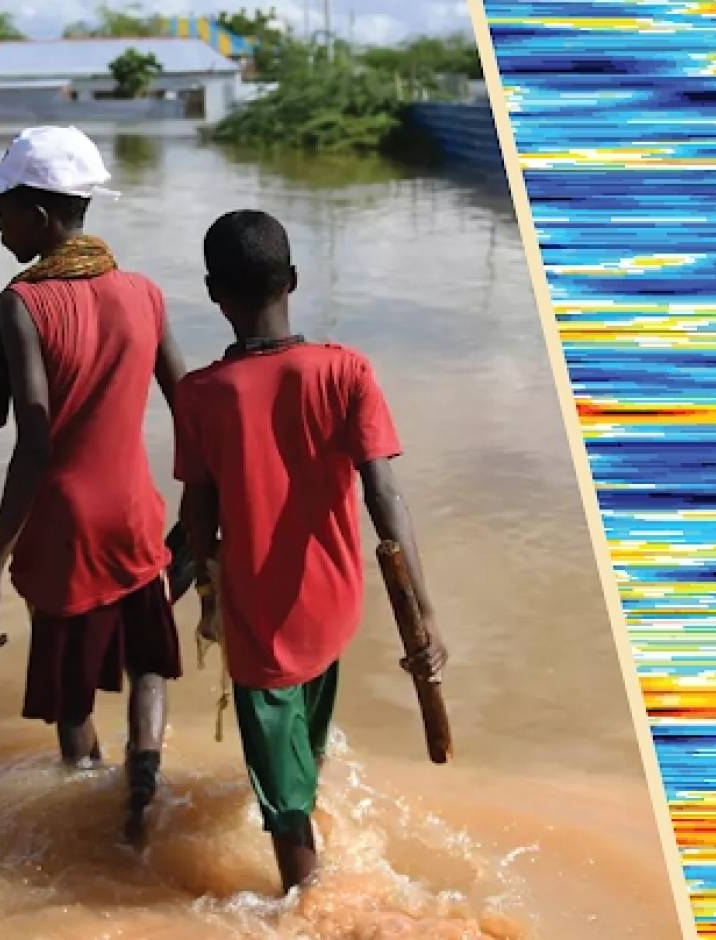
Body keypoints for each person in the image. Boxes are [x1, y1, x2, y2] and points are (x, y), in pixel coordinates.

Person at [173, 209, 448, 893]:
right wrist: (427, 618)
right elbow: (386, 498)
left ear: (213, 293)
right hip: (333, 611)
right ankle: (322, 873)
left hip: (261, 625)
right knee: (305, 756)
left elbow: (197, 526)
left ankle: (309, 908)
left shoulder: (200, 395)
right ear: (292, 278)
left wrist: (164, 596)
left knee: (285, 808)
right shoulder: (346, 370)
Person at [0, 126, 186, 845]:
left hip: (64, 527)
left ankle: (89, 804)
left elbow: (34, 443)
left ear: (43, 216)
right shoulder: (144, 293)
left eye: (3, 208)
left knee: (70, 692)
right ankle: (144, 772)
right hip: (136, 515)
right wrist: (206, 515)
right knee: (150, 660)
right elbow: (193, 406)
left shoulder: (22, 304)